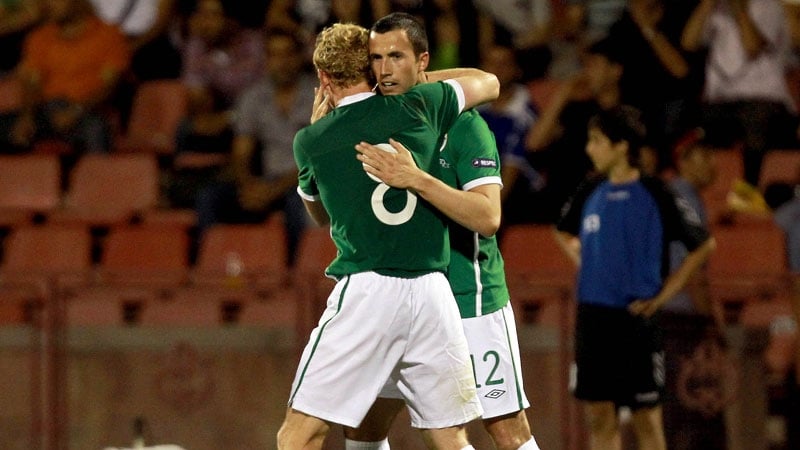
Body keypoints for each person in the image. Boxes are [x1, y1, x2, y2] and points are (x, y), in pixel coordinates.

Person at [277, 21, 500, 450]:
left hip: (369, 289)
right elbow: (487, 84)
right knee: (451, 438)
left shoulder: (311, 140)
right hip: (434, 291)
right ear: (372, 68)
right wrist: (419, 80)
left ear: (323, 78)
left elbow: (318, 215)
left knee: (298, 436)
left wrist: (319, 139)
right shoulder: (422, 105)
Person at [343, 13, 540, 450]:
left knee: (506, 431)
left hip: (469, 299)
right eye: (376, 58)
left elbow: (489, 217)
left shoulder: (465, 126)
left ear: (423, 62)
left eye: (396, 56)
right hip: (401, 301)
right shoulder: (377, 125)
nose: (384, 68)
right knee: (364, 426)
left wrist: (418, 179)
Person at [554, 105, 716, 450]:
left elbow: (702, 246)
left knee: (646, 419)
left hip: (637, 320)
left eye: (597, 141)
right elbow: (561, 231)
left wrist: (663, 295)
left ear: (622, 146)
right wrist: (586, 260)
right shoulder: (589, 190)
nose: (589, 149)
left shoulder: (656, 192)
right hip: (593, 318)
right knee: (599, 415)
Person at [194, 27, 315, 267]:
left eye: (288, 54)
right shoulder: (253, 96)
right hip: (267, 182)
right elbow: (241, 153)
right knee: (210, 198)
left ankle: (293, 276)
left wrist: (274, 190)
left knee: (299, 204)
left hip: (307, 183)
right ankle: (210, 270)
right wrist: (248, 185)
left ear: (300, 57)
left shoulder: (321, 96)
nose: (281, 62)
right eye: (274, 55)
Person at [660, 128, 734, 450]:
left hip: (667, 317)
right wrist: (709, 320)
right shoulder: (684, 195)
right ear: (685, 161)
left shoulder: (676, 194)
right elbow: (693, 269)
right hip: (680, 321)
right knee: (689, 413)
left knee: (675, 412)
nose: (713, 163)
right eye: (704, 156)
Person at [681, 0, 798, 187]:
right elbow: (688, 42)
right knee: (688, 121)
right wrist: (707, 4)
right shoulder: (717, 8)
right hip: (721, 101)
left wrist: (739, 9)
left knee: (755, 120)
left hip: (765, 99)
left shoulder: (769, 6)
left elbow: (752, 46)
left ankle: (749, 188)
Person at [0, 0, 130, 167]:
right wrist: (27, 116)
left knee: (95, 130)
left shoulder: (108, 35)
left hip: (88, 111)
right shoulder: (39, 37)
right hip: (46, 111)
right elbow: (31, 82)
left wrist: (76, 110)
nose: (48, 5)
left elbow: (108, 87)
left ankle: (101, 186)